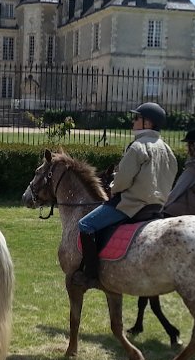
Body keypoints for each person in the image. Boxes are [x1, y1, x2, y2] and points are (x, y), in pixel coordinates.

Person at [71, 102, 178, 289]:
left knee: (85, 224)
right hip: (157, 207)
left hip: (131, 205)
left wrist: (113, 187)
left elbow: (122, 182)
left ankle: (91, 275)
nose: (133, 121)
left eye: (137, 118)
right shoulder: (169, 151)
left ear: (148, 123)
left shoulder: (137, 147)